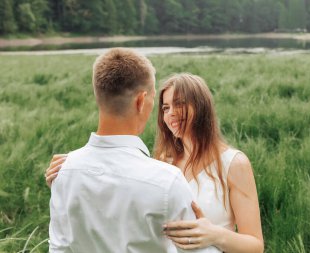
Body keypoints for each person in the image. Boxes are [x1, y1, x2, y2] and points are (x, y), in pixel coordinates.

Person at [46, 73, 264, 252]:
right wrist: (74, 167)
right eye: (165, 107)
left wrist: (215, 235)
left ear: (202, 107)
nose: (171, 114)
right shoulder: (162, 162)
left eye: (179, 104)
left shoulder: (235, 163)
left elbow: (255, 245)